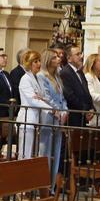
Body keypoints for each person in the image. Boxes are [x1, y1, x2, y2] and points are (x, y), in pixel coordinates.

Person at [36, 49, 68, 189]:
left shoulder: (57, 76)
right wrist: (58, 111)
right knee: (45, 151)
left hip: (59, 117)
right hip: (48, 116)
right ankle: (42, 185)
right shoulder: (42, 76)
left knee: (56, 151)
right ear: (48, 60)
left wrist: (65, 110)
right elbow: (46, 96)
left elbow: (62, 97)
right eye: (54, 57)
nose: (58, 59)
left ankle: (52, 186)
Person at [60, 44, 93, 127]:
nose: (81, 56)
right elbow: (70, 96)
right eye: (77, 54)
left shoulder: (80, 72)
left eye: (80, 53)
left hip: (82, 116)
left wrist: (91, 108)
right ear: (69, 58)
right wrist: (85, 110)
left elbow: (86, 92)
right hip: (73, 116)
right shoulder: (65, 73)